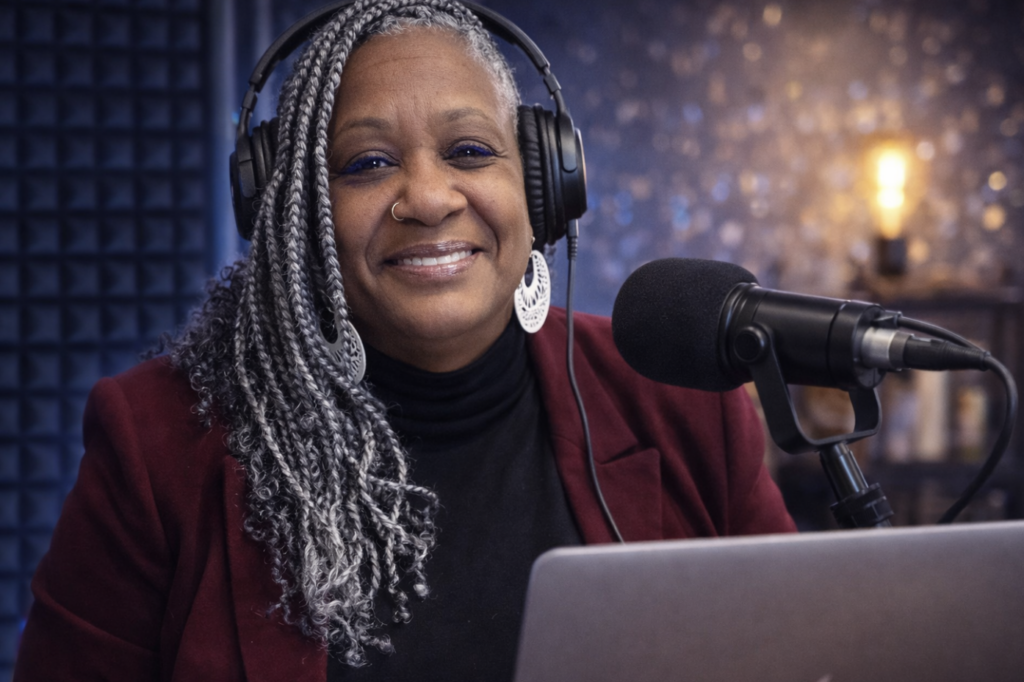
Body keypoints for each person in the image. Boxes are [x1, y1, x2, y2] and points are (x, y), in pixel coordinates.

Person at [14, 1, 796, 680]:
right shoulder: (155, 445)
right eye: (368, 164)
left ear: (544, 183)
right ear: (295, 213)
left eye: (469, 151)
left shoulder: (682, 402)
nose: (426, 198)